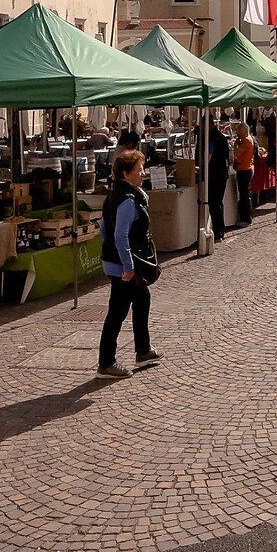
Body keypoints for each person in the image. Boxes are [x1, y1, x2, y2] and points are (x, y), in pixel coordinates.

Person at [97, 147, 162, 380]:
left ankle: (143, 350)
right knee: (117, 311)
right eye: (139, 170)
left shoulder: (116, 195)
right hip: (124, 265)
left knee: (142, 298)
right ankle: (106, 362)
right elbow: (119, 236)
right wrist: (127, 266)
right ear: (126, 174)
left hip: (117, 261)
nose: (143, 173)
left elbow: (103, 230)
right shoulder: (126, 200)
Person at [206, 119, 231, 243]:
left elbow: (208, 157)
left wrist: (202, 167)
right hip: (223, 173)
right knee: (219, 202)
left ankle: (218, 231)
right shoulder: (221, 137)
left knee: (214, 203)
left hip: (215, 174)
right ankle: (221, 230)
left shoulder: (212, 138)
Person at [231, 122, 257, 226]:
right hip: (246, 168)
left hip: (244, 169)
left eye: (239, 133)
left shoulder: (246, 141)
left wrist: (235, 144)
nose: (238, 135)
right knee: (245, 194)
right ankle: (246, 216)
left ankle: (246, 218)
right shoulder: (249, 138)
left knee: (244, 195)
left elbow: (236, 153)